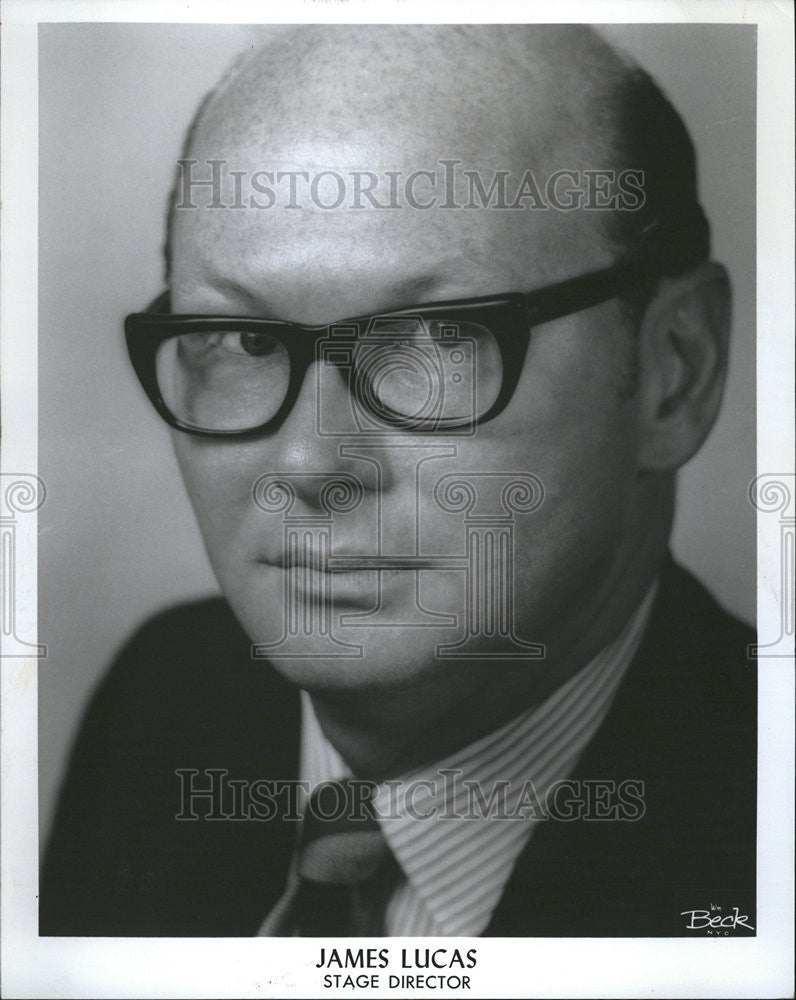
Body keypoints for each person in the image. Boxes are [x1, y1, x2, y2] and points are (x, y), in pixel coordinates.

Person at [41, 24, 756, 938]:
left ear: (675, 371)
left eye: (434, 340)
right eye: (247, 341)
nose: (310, 465)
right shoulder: (171, 697)